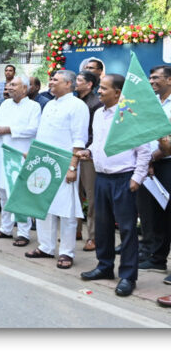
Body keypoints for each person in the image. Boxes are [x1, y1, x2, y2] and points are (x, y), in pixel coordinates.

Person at [76, 74, 150, 297]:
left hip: (124, 179)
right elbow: (98, 142)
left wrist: (137, 178)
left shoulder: (130, 115)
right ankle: (105, 266)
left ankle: (128, 276)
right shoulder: (98, 114)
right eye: (99, 88)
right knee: (103, 226)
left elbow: (144, 151)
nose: (99, 91)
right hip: (102, 178)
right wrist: (88, 151)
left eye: (104, 89)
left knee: (127, 230)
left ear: (118, 93)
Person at [24, 70, 89, 269]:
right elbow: (42, 135)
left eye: (55, 80)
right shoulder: (49, 104)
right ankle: (45, 247)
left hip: (65, 164)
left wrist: (72, 166)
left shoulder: (78, 106)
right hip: (44, 163)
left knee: (66, 211)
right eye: (50, 79)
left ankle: (67, 253)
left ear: (68, 84)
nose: (50, 82)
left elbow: (79, 139)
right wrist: (34, 155)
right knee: (43, 206)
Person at [0, 75, 41, 247]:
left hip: (19, 155)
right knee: (4, 193)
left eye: (13, 85)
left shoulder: (33, 107)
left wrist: (9, 129)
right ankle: (5, 228)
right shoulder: (5, 104)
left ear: (25, 88)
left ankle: (23, 233)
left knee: (19, 194)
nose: (9, 87)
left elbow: (33, 129)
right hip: (1, 153)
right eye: (8, 85)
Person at [138, 65, 171, 276]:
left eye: (156, 78)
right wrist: (146, 161)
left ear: (169, 80)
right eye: (150, 78)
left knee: (168, 215)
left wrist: (152, 157)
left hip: (167, 163)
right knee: (153, 215)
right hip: (149, 166)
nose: (151, 81)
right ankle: (157, 259)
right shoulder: (152, 104)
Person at [75, 70, 104, 252]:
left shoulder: (96, 104)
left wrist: (86, 150)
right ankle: (75, 230)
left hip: (89, 156)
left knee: (91, 198)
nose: (75, 83)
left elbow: (95, 134)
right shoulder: (74, 102)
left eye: (79, 80)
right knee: (73, 194)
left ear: (89, 84)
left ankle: (93, 237)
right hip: (73, 154)